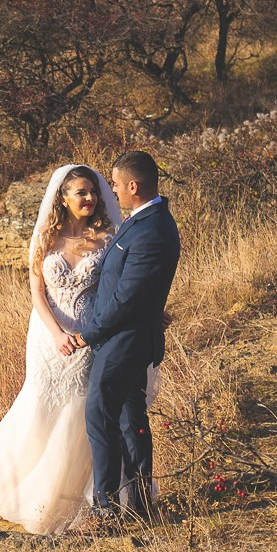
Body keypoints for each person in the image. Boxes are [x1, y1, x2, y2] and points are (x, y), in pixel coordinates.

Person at [0, 164, 128, 535]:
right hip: (48, 338)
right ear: (63, 199)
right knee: (39, 402)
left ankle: (72, 499)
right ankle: (18, 488)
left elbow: (121, 286)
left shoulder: (108, 236)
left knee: (81, 410)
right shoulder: (45, 238)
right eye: (81, 192)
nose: (90, 198)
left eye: (93, 191)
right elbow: (36, 292)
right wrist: (55, 334)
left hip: (88, 338)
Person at [66, 150, 180, 526]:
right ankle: (140, 503)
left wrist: (89, 334)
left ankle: (106, 507)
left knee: (100, 416)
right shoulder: (145, 221)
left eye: (115, 184)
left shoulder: (152, 230)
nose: (111, 190)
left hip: (124, 343)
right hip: (127, 339)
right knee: (132, 421)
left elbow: (126, 299)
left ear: (133, 186)